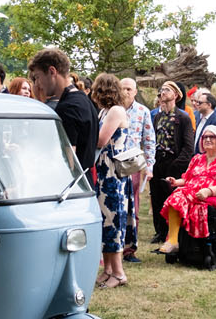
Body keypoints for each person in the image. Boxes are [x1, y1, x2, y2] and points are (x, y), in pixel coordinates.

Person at [156, 125, 216, 254]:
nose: (207, 139)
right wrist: (175, 182)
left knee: (180, 197)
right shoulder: (197, 159)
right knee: (177, 195)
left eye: (211, 137)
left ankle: (175, 242)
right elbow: (188, 179)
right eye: (204, 137)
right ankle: (173, 240)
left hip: (215, 197)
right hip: (191, 193)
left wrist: (208, 191)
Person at [28, 48, 98, 174]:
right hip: (86, 182)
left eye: (38, 77)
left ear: (52, 71)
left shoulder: (67, 107)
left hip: (73, 187)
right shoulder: (84, 99)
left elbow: (68, 163)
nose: (38, 84)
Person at [93, 74, 131, 288]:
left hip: (113, 173)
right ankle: (107, 269)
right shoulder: (104, 111)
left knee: (114, 219)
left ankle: (119, 272)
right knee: (104, 219)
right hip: (102, 170)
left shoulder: (117, 110)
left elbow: (101, 139)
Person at [149, 81, 196, 242]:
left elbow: (189, 146)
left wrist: (176, 165)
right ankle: (160, 232)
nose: (162, 92)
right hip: (158, 162)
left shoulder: (183, 117)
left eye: (167, 90)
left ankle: (173, 232)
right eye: (161, 90)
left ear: (175, 95)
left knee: (171, 199)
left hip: (174, 163)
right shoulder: (157, 116)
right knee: (156, 198)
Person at [119, 78, 156, 263]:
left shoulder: (143, 111)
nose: (125, 92)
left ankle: (129, 249)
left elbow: (149, 141)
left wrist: (149, 167)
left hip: (133, 164)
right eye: (122, 88)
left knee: (132, 207)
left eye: (129, 89)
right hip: (113, 163)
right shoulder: (112, 109)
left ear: (135, 91)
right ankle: (112, 247)